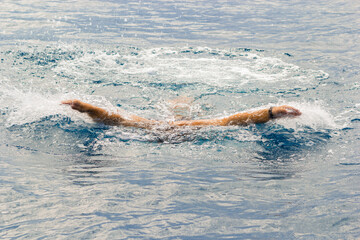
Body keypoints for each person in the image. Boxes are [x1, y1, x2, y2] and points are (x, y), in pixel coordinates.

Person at [61, 99, 301, 129]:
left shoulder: (191, 126)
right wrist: (271, 112)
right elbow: (234, 120)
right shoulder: (156, 127)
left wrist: (273, 111)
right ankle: (181, 104)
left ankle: (181, 104)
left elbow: (234, 119)